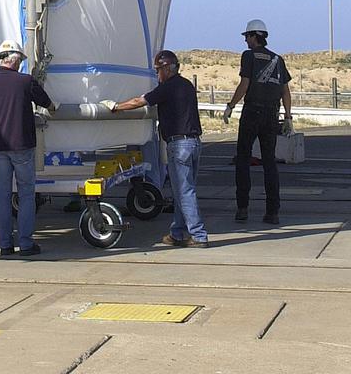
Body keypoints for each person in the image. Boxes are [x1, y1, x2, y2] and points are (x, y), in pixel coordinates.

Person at [109, 49, 209, 247]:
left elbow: (139, 101)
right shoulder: (187, 85)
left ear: (167, 69)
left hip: (179, 145)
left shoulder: (167, 88)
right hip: (194, 143)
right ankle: (177, 233)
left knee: (184, 191)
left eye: (158, 70)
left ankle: (199, 235)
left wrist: (115, 106)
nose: (157, 75)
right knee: (182, 191)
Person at [0, 38, 53, 257]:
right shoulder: (25, 81)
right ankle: (26, 243)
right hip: (22, 145)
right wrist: (53, 108)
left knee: (2, 195)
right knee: (26, 194)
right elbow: (47, 102)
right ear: (15, 59)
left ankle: (5, 244)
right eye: (20, 60)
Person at [222, 19, 293, 225]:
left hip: (252, 112)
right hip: (272, 115)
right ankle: (273, 212)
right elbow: (285, 91)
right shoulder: (278, 59)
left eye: (247, 37)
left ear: (254, 36)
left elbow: (245, 84)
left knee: (243, 159)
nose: (246, 41)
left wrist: (231, 105)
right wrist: (288, 117)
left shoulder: (249, 56)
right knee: (269, 162)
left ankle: (242, 208)